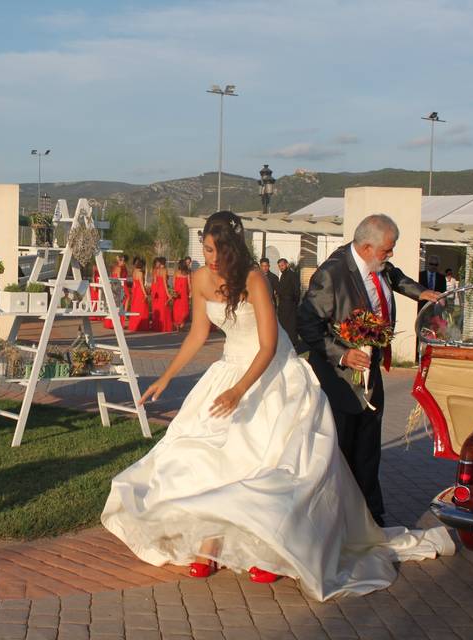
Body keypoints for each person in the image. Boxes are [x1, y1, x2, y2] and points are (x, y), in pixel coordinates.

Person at [102, 211, 453, 601]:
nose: (210, 259)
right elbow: (199, 333)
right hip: (229, 368)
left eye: (216, 251)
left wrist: (239, 392)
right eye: (205, 250)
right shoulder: (200, 278)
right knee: (208, 456)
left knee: (270, 463)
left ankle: (269, 551)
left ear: (233, 249)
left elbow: (269, 346)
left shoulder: (254, 279)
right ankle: (210, 544)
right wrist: (166, 376)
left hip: (272, 372)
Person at [297, 214, 440, 526]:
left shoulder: (379, 266)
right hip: (339, 378)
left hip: (370, 371)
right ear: (365, 247)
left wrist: (422, 294)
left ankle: (370, 515)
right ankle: (334, 518)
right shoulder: (332, 274)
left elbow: (396, 277)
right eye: (386, 251)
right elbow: (307, 323)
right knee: (342, 448)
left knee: (368, 445)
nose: (390, 256)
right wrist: (343, 354)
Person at [275, 257, 300, 346]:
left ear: (287, 265)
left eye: (282, 265)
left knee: (291, 324)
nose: (281, 267)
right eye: (279, 266)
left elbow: (297, 290)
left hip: (290, 303)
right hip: (282, 303)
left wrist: (294, 303)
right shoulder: (282, 276)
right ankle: (285, 342)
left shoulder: (293, 275)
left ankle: (293, 343)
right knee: (283, 323)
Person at [104, 254, 130, 330]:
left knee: (116, 302)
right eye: (123, 260)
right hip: (120, 284)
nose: (124, 262)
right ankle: (123, 315)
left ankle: (116, 319)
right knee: (126, 298)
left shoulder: (116, 267)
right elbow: (118, 278)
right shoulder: (119, 267)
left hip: (114, 285)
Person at [149, 257, 174, 332]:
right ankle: (163, 326)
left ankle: (156, 326)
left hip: (156, 290)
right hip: (162, 290)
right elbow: (164, 283)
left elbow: (154, 281)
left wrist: (152, 291)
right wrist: (168, 293)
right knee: (163, 308)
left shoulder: (155, 270)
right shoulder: (164, 270)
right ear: (165, 263)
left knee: (157, 307)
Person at [127, 257, 150, 331]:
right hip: (140, 291)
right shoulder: (140, 272)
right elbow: (141, 284)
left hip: (135, 290)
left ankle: (134, 324)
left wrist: (133, 291)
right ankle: (141, 325)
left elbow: (134, 283)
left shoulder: (134, 271)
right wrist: (145, 294)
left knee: (135, 307)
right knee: (142, 307)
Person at [172, 257, 191, 331]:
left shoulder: (176, 272)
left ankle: (177, 324)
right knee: (184, 309)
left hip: (178, 293)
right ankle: (181, 324)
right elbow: (189, 284)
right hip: (183, 294)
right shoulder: (186, 273)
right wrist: (190, 293)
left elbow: (173, 283)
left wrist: (174, 291)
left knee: (177, 308)